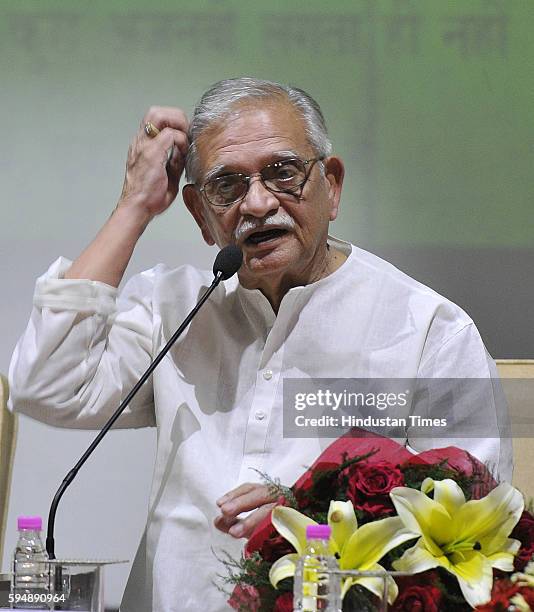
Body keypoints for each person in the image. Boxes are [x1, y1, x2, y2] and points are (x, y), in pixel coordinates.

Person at [9, 77, 512, 611]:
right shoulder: (176, 309)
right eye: (227, 186)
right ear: (202, 216)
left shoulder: (427, 327)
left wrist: (317, 508)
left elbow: (478, 511)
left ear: (333, 186)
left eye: (282, 173)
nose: (256, 202)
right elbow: (46, 386)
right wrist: (134, 205)